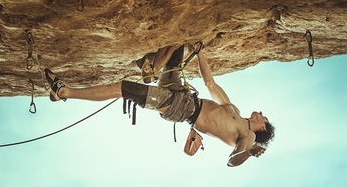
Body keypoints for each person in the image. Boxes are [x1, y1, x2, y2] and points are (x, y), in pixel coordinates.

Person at [44, 42, 275, 167]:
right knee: (177, 43)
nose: (262, 114)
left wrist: (250, 150)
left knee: (123, 88)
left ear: (261, 128)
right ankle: (150, 68)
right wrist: (200, 52)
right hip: (182, 94)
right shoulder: (233, 111)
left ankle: (63, 92)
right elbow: (210, 83)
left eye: (264, 118)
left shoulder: (248, 136)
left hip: (179, 107)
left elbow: (233, 161)